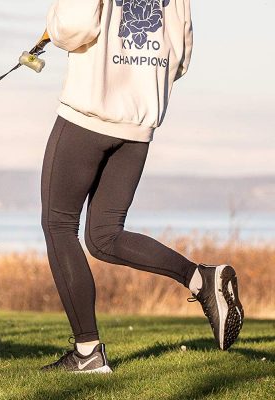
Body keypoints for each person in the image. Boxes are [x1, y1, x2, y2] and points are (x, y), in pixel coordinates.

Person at [40, 0, 244, 373]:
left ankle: (87, 352)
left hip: (87, 115)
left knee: (58, 226)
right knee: (103, 237)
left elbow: (74, 27)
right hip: (138, 126)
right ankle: (200, 278)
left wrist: (54, 28)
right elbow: (180, 57)